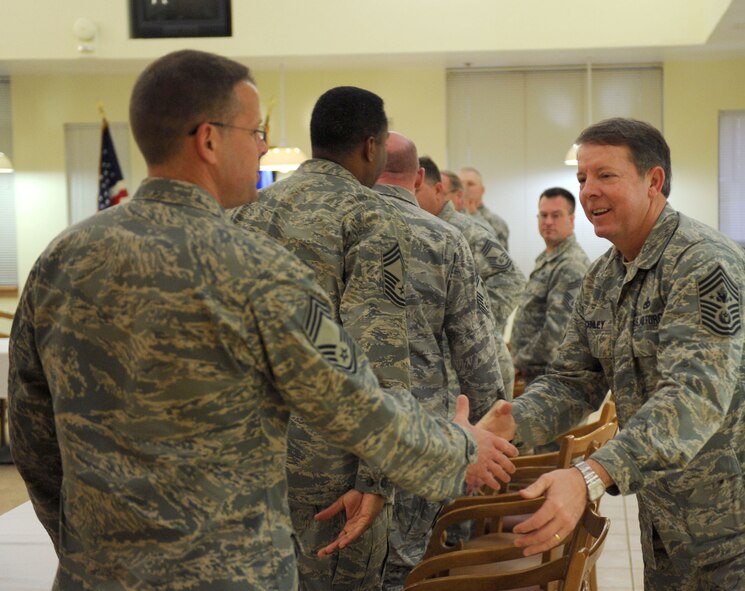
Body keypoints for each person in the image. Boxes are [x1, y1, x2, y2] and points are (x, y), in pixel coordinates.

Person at [7, 50, 518, 591]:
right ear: (208, 140)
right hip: (228, 571)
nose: (264, 148)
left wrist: (81, 542)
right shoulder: (263, 272)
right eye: (256, 131)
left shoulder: (61, 259)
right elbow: (358, 405)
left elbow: (31, 434)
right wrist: (462, 447)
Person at [481, 117, 745, 589]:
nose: (588, 192)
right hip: (672, 534)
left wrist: (589, 475)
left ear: (654, 181)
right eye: (582, 178)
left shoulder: (704, 264)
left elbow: (694, 396)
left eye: (606, 175)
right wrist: (509, 423)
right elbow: (571, 382)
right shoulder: (602, 279)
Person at [230, 87, 454, 591]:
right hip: (331, 472)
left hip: (249, 462)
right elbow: (377, 363)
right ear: (371, 146)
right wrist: (376, 480)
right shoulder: (370, 217)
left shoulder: (247, 213)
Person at [373, 132, 508, 591]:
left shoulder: (337, 229)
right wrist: (487, 430)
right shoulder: (443, 238)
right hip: (425, 429)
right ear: (420, 178)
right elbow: (478, 353)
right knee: (407, 564)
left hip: (335, 434)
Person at [416, 157, 523, 399]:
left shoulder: (469, 231)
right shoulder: (423, 229)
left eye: (417, 189)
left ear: (438, 191)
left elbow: (512, 279)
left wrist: (473, 326)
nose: (410, 195)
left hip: (481, 365)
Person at [511, 187, 590, 388]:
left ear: (571, 220)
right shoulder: (548, 258)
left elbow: (557, 330)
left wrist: (519, 361)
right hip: (535, 374)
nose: (548, 222)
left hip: (552, 378)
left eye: (556, 215)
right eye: (543, 215)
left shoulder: (570, 265)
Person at [459, 166, 509, 250]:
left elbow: (499, 258)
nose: (464, 188)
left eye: (470, 184)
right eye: (460, 184)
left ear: (482, 190)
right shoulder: (452, 217)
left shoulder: (495, 222)